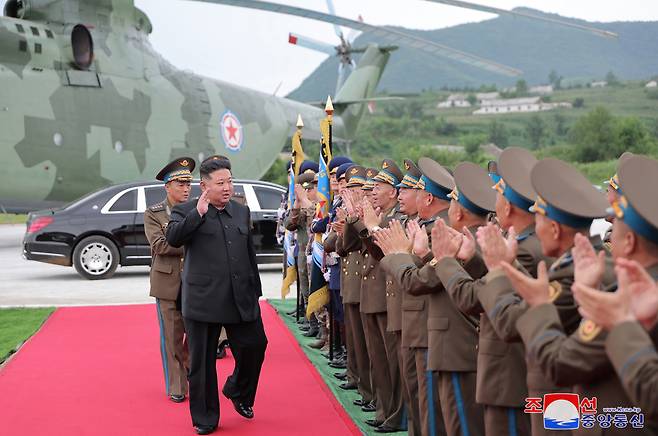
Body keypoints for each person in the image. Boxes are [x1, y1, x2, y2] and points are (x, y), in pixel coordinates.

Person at [166, 157, 268, 435]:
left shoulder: (240, 211)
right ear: (204, 186)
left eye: (230, 181)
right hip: (203, 299)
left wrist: (255, 292)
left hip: (240, 296)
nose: (227, 187)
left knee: (255, 345)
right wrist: (197, 215)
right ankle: (205, 418)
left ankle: (238, 390)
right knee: (201, 362)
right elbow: (173, 238)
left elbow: (249, 254)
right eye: (220, 183)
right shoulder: (186, 210)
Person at [145, 157, 194, 403]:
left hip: (196, 283)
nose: (186, 188)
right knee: (172, 337)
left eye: (189, 184)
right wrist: (192, 242)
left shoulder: (198, 209)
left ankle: (187, 368)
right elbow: (160, 246)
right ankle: (177, 386)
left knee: (197, 335)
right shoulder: (154, 214)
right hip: (168, 283)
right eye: (180, 184)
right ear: (167, 186)